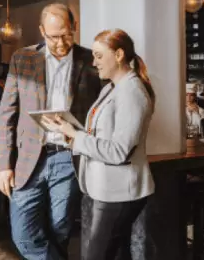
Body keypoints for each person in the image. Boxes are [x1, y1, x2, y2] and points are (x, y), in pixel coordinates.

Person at [0, 3, 102, 260]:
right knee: (23, 233)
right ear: (42, 31)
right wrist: (3, 165)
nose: (60, 42)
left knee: (60, 230)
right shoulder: (23, 58)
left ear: (74, 28)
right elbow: (6, 114)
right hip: (28, 158)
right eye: (54, 36)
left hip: (68, 157)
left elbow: (103, 110)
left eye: (66, 34)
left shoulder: (91, 61)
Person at [43, 29, 155, 260]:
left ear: (119, 54)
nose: (94, 63)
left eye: (99, 56)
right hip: (107, 189)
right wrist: (67, 131)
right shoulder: (111, 87)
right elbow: (100, 135)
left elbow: (118, 151)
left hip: (119, 191)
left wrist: (75, 135)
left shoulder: (132, 92)